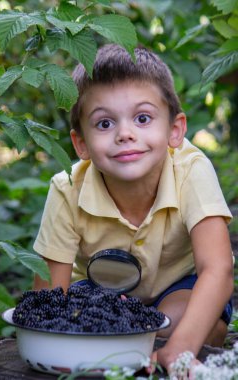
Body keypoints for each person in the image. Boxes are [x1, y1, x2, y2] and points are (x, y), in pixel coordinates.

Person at [33, 44, 234, 373]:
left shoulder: (192, 169)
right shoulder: (67, 188)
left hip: (177, 288)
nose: (125, 134)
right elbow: (49, 295)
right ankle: (126, 344)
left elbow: (218, 271)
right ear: (81, 143)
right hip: (100, 292)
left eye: (143, 118)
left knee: (180, 317)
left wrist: (180, 347)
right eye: (104, 124)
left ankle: (165, 344)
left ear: (174, 130)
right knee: (74, 314)